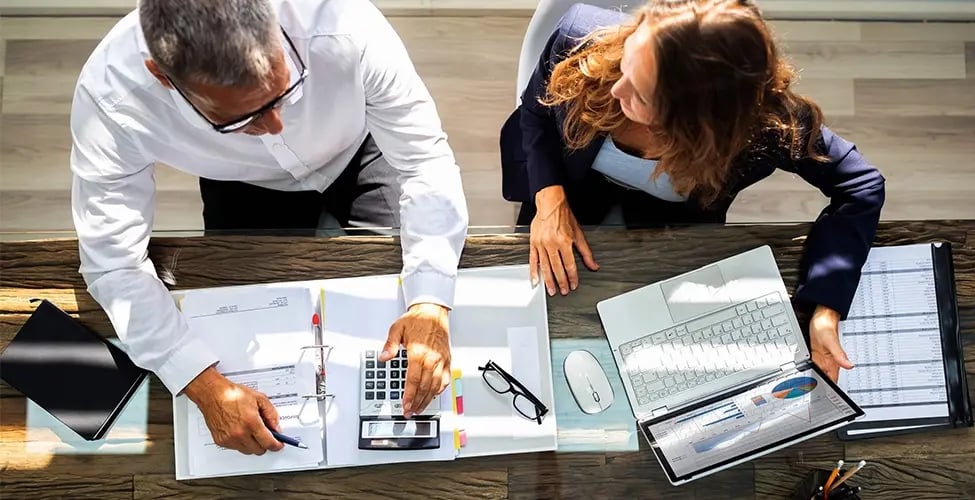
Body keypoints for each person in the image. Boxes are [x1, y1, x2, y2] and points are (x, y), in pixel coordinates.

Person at [70, 0, 468, 455]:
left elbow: (423, 163)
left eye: (286, 92)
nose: (276, 125)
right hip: (241, 184)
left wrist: (431, 303)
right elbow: (112, 262)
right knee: (243, 314)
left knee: (400, 306)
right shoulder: (110, 99)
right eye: (242, 119)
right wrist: (199, 381)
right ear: (163, 77)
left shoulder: (346, 24)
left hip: (362, 148)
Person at [499, 0, 885, 382]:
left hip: (672, 230)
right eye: (627, 62)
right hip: (567, 182)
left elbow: (861, 185)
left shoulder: (767, 125)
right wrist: (549, 198)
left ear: (699, 124)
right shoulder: (581, 37)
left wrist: (825, 308)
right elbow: (536, 111)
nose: (617, 89)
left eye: (642, 94)